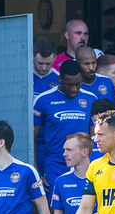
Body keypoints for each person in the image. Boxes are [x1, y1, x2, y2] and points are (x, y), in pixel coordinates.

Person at [33, 60, 96, 190]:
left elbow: (95, 137)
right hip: (55, 166)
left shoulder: (91, 99)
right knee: (55, 208)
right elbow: (32, 138)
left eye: (78, 84)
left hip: (84, 167)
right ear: (60, 79)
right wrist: (35, 170)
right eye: (69, 85)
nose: (74, 89)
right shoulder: (43, 100)